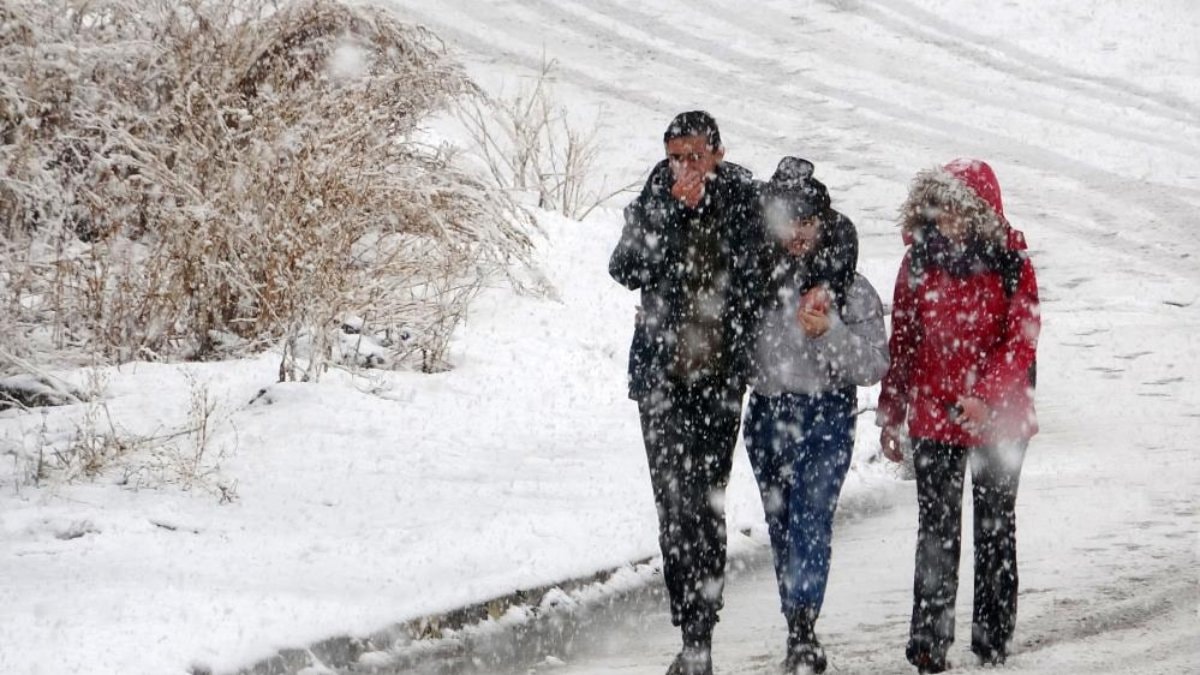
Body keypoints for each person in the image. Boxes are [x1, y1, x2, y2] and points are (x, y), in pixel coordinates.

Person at [608, 111, 763, 675]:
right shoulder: (655, 197)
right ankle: (690, 628)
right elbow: (624, 267)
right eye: (675, 157)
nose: (684, 167)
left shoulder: (743, 199)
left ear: (718, 153)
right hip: (662, 380)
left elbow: (763, 277)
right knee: (674, 508)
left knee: (705, 504)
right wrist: (671, 211)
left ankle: (702, 630)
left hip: (719, 379)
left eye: (694, 156)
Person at [876, 159, 1040, 674]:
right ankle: (929, 641)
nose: (943, 218)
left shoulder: (1011, 263)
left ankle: (993, 636)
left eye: (953, 208)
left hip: (999, 418)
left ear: (978, 211)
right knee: (936, 529)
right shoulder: (919, 261)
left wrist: (985, 397)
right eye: (938, 207)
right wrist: (891, 411)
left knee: (995, 526)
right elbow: (904, 340)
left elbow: (1021, 341)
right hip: (933, 413)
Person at [744, 157, 889, 674]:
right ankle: (796, 620)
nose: (797, 234)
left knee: (812, 519)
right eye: (787, 222)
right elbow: (736, 351)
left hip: (827, 414)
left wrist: (830, 332)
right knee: (782, 523)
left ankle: (804, 627)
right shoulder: (756, 280)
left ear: (823, 221)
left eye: (805, 222)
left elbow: (874, 364)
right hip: (767, 413)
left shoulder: (851, 287)